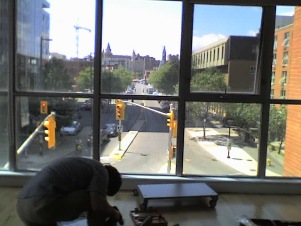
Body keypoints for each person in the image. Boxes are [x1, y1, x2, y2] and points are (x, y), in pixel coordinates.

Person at [16, 157, 123, 226]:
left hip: (23, 208)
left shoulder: (84, 165)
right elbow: (98, 206)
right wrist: (114, 213)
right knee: (93, 200)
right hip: (41, 205)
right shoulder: (101, 170)